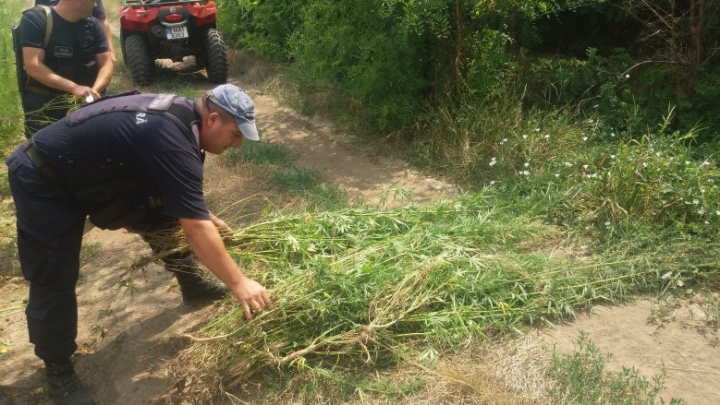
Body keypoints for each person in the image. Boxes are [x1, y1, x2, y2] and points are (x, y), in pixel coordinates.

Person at [5, 84, 273, 405]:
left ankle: (190, 282)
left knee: (160, 208)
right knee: (55, 272)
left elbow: (179, 195)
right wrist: (239, 282)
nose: (238, 144)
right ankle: (58, 370)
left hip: (86, 169)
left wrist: (203, 213)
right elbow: (196, 230)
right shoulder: (171, 138)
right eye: (236, 135)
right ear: (213, 120)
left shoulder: (183, 120)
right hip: (44, 175)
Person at [18, 0, 113, 138]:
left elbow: (107, 64)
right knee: (45, 152)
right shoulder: (37, 19)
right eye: (93, 1)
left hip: (86, 102)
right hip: (47, 103)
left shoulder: (93, 25)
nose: (96, 5)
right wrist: (73, 88)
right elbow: (33, 66)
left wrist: (93, 93)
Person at [35, 0, 118, 64]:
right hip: (53, 38)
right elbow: (40, 18)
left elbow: (101, 19)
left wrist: (110, 50)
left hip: (84, 37)